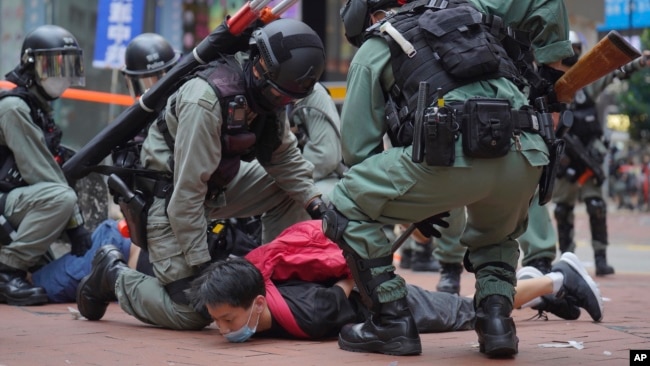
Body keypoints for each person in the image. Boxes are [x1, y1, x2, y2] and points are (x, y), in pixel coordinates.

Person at [322, 0, 574, 357]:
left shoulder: (378, 43)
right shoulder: (475, 23)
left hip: (450, 158)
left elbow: (358, 154)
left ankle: (391, 320)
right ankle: (496, 324)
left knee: (344, 204)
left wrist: (414, 205)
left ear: (367, 15)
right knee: (496, 236)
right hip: (528, 154)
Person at [75, 18, 327, 331]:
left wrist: (316, 204)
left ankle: (272, 274)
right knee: (197, 310)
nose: (283, 103)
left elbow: (284, 156)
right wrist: (206, 268)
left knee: (293, 190)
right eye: (280, 96)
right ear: (260, 69)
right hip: (168, 203)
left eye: (289, 99)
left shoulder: (270, 92)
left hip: (214, 188)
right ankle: (112, 275)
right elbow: (185, 198)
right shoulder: (205, 101)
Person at [184, 220, 602, 342]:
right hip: (375, 293)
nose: (222, 330)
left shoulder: (310, 314)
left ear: (256, 303)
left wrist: (354, 279)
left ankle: (556, 277)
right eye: (218, 321)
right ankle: (535, 284)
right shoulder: (264, 301)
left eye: (227, 320)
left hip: (386, 301)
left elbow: (345, 291)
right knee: (475, 310)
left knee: (475, 310)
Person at [0, 25, 92, 306]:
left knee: (47, 273)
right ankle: (5, 272)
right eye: (52, 65)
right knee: (61, 198)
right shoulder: (14, 108)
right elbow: (41, 173)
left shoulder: (36, 107)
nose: (61, 75)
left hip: (9, 200)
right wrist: (76, 225)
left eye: (67, 65)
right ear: (30, 65)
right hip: (5, 201)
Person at [553, 31, 650, 276]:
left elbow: (615, 73)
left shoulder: (587, 83)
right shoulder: (549, 82)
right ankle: (567, 259)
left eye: (576, 48)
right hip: (564, 158)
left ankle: (600, 257)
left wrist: (639, 62)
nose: (572, 54)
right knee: (562, 210)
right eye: (568, 49)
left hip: (588, 157)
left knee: (596, 206)